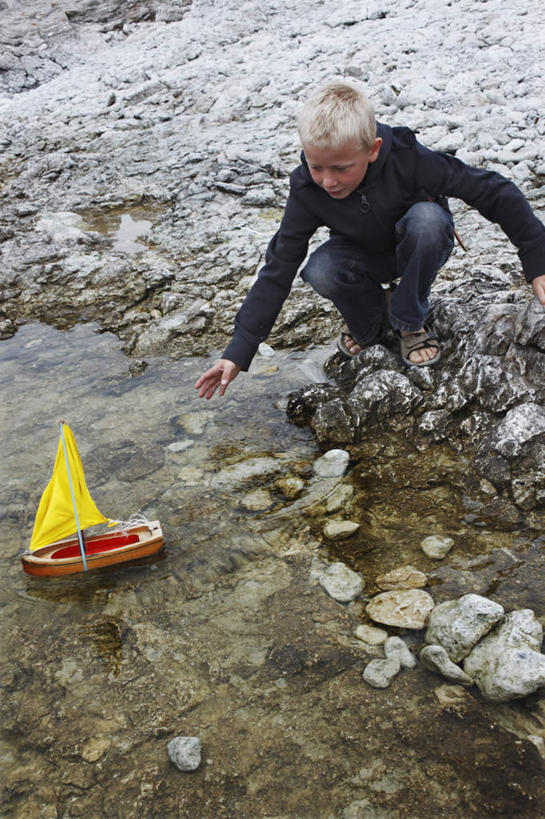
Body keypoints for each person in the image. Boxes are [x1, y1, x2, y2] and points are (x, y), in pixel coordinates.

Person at [195, 80, 545, 399]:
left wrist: (537, 260)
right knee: (320, 268)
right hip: (362, 256)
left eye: (341, 168)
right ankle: (373, 323)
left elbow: (491, 189)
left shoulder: (407, 158)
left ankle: (409, 320)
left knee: (428, 220)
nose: (328, 181)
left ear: (373, 149)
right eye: (317, 166)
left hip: (418, 246)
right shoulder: (306, 188)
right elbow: (279, 265)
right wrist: (239, 350)